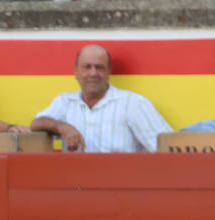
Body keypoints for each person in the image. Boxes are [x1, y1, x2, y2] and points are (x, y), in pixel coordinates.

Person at [29, 45, 173, 152]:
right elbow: (36, 124)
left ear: (108, 72)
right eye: (87, 67)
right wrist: (62, 127)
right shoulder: (65, 102)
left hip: (121, 185)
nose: (93, 73)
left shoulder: (133, 103)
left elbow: (167, 149)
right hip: (75, 185)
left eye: (99, 67)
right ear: (76, 71)